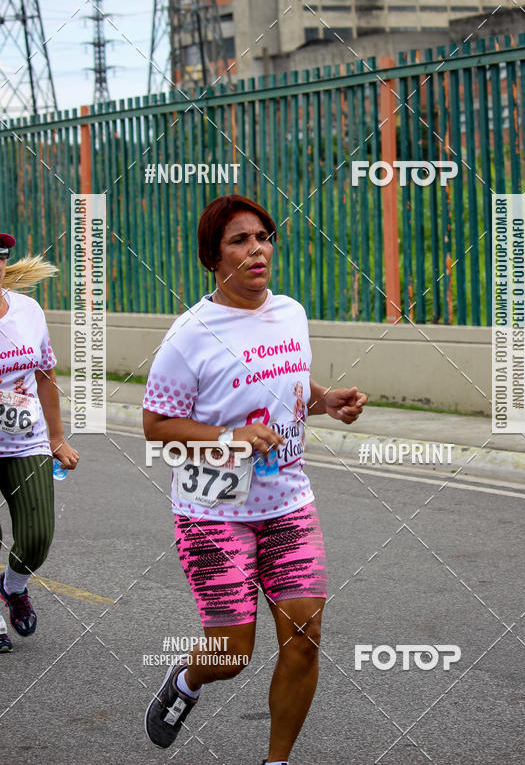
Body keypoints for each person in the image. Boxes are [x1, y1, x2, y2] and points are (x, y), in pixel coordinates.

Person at [143, 195, 367, 764]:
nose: (257, 249)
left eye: (263, 236)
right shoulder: (189, 333)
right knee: (232, 653)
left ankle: (277, 762)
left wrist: (324, 401)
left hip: (289, 502)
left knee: (304, 642)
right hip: (213, 512)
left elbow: (287, 386)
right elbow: (155, 427)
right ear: (213, 258)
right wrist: (227, 438)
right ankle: (188, 682)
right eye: (239, 241)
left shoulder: (290, 313)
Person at [0, 232, 79, 652]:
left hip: (24, 439)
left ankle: (13, 586)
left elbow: (46, 374)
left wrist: (57, 438)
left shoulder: (27, 311)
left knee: (37, 537)